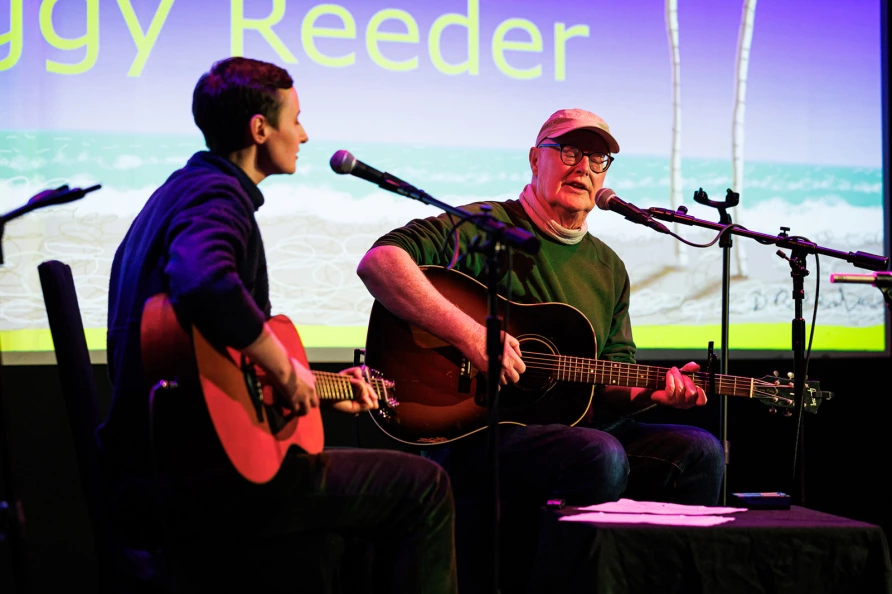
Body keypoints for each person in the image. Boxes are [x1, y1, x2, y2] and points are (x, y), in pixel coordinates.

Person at [99, 56, 457, 593]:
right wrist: (286, 373)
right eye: (296, 119)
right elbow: (206, 283)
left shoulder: (176, 193)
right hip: (202, 485)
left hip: (163, 469)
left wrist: (317, 387)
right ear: (260, 128)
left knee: (338, 532)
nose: (305, 135)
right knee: (425, 486)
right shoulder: (217, 196)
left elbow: (209, 364)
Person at [356, 108, 725, 592]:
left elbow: (612, 376)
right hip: (482, 430)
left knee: (700, 451)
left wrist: (650, 394)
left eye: (599, 158)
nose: (585, 167)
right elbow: (380, 263)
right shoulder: (483, 227)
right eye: (570, 151)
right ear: (535, 159)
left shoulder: (607, 267)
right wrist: (471, 335)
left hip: (578, 431)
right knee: (600, 454)